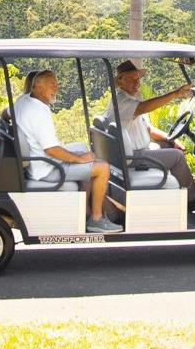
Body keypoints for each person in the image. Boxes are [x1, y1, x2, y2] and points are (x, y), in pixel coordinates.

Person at [12, 68, 119, 232]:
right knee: (103, 168)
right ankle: (96, 219)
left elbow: (6, 114)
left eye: (57, 83)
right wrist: (80, 159)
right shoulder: (38, 111)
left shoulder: (23, 100)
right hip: (48, 169)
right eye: (52, 84)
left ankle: (85, 211)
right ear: (38, 87)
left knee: (85, 151)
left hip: (39, 163)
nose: (57, 87)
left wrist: (81, 156)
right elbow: (52, 150)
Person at [107, 59, 195, 206]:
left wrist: (171, 140)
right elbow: (144, 108)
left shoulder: (130, 99)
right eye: (132, 79)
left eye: (138, 79)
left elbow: (148, 129)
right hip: (133, 157)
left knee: (167, 145)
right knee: (177, 157)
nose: (137, 83)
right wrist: (176, 94)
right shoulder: (122, 102)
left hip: (135, 152)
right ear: (120, 80)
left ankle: (177, 196)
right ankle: (194, 199)